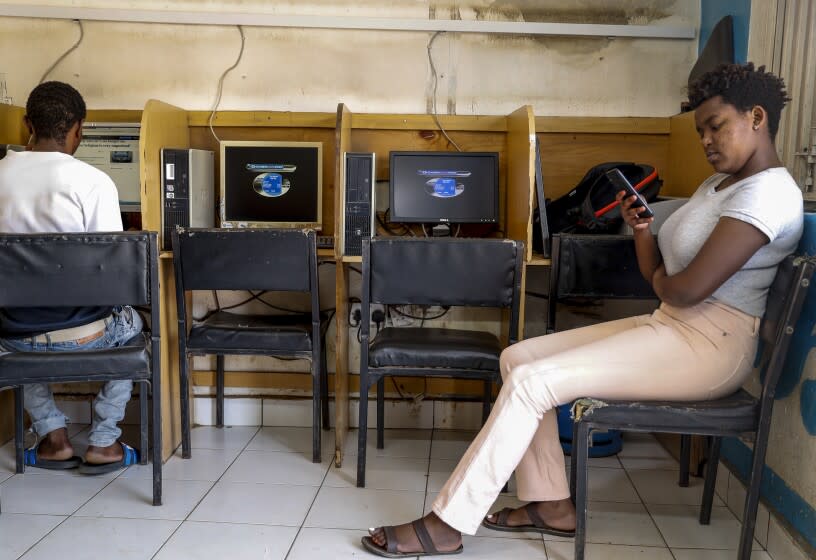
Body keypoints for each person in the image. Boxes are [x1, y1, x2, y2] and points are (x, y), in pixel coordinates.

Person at [362, 62, 804, 557]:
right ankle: (552, 505)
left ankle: (448, 523)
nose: (705, 140)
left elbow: (684, 289)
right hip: (674, 325)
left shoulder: (768, 194)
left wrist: (664, 280)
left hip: (711, 346)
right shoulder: (718, 187)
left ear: (758, 117)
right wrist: (641, 232)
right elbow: (664, 281)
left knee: (533, 384)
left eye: (716, 126)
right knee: (518, 358)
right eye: (700, 130)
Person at [0, 81, 143, 475]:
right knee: (134, 324)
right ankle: (105, 441)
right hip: (84, 334)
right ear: (79, 128)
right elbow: (113, 272)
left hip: (12, 335)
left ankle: (53, 439)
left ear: (27, 123)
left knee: (18, 335)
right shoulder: (93, 182)